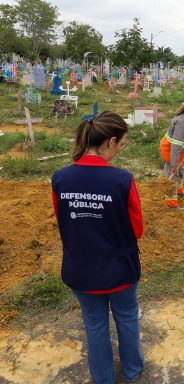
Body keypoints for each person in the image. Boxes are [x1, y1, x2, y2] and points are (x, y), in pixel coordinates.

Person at [51, 111, 144, 384]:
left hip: (80, 268)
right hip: (120, 270)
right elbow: (136, 229)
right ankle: (132, 371)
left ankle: (103, 379)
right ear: (110, 141)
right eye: (121, 145)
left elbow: (63, 222)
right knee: (127, 317)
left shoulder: (61, 178)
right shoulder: (122, 181)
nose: (120, 150)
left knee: (95, 324)